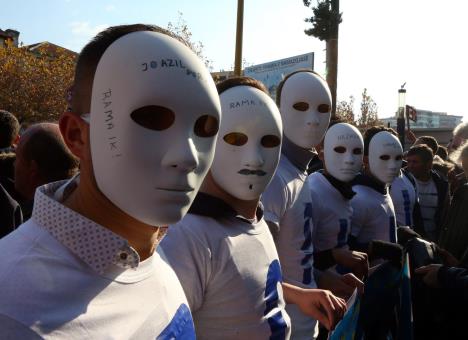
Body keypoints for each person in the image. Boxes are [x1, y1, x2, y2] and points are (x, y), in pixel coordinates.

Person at [0, 24, 221, 338]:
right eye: (151, 119)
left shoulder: (151, 247)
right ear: (77, 135)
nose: (188, 157)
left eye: (206, 127)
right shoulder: (11, 310)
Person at [161, 77, 346, 339]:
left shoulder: (252, 219)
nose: (255, 158)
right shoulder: (186, 238)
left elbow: (246, 286)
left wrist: (296, 295)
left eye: (269, 141)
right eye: (235, 138)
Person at [261, 70, 355, 339]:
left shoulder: (296, 172)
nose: (313, 120)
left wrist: (323, 279)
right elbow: (255, 270)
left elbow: (292, 258)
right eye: (300, 107)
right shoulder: (273, 176)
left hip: (305, 326)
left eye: (323, 109)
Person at [309, 122, 368, 279]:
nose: (349, 159)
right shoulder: (313, 193)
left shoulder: (341, 189)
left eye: (356, 152)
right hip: (319, 294)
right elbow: (297, 259)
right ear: (321, 155)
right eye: (339, 150)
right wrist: (335, 257)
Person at [349, 127, 403, 254]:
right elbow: (343, 249)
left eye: (398, 158)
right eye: (384, 157)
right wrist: (377, 250)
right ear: (366, 160)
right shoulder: (358, 198)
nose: (393, 166)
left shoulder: (382, 189)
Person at [13, 123, 79, 220]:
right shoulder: (82, 211)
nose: (13, 164)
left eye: (17, 157)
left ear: (33, 170)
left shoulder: (17, 221)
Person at [405, 145, 449, 241]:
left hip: (436, 240)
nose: (410, 165)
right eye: (408, 161)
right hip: (413, 240)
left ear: (429, 164)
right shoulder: (402, 182)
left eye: (415, 162)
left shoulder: (442, 184)